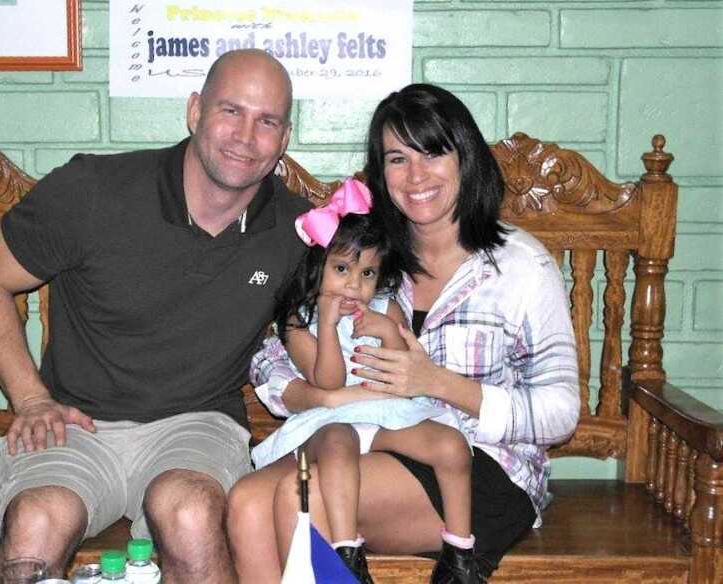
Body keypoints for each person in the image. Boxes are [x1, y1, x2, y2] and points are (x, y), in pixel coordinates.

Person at [0, 49, 310, 584]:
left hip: (196, 423)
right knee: (35, 524)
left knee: (190, 513)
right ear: (195, 111)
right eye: (230, 111)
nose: (245, 136)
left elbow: (367, 296)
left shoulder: (297, 231)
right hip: (75, 423)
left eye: (267, 121)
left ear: (283, 139)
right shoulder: (94, 191)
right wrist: (31, 398)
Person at [227, 83, 580, 584]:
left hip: (481, 466)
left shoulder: (519, 266)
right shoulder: (372, 259)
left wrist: (435, 382)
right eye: (397, 158)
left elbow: (561, 412)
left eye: (433, 152)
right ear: (380, 172)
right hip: (366, 439)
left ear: (466, 158)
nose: (416, 175)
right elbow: (277, 344)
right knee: (245, 502)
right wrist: (308, 394)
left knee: (303, 493)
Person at [249, 177, 477, 582]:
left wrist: (386, 330)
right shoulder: (299, 320)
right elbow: (328, 381)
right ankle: (346, 551)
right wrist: (330, 324)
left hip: (388, 414)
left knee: (452, 445)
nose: (355, 284)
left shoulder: (387, 308)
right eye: (341, 269)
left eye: (368, 273)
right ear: (318, 266)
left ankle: (460, 554)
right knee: (339, 444)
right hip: (333, 420)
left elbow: (406, 366)